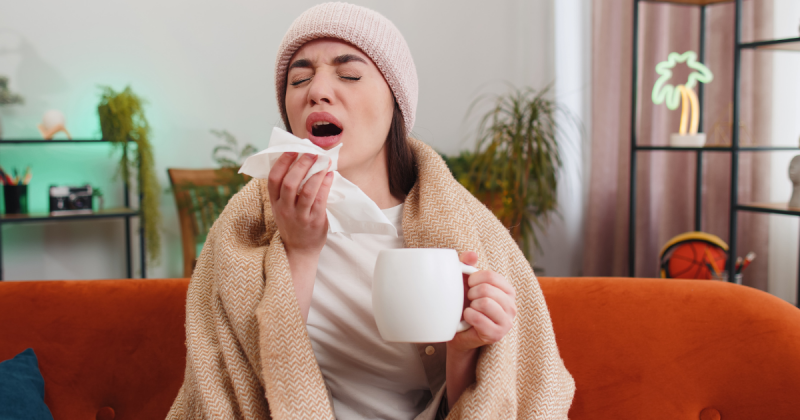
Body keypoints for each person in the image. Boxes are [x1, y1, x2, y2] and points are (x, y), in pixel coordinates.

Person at [168, 3, 574, 420]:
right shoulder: (247, 230)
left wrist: (465, 347)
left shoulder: (463, 228)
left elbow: (479, 401)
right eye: (300, 79)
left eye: (349, 75)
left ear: (396, 101)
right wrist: (300, 250)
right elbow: (251, 383)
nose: (317, 91)